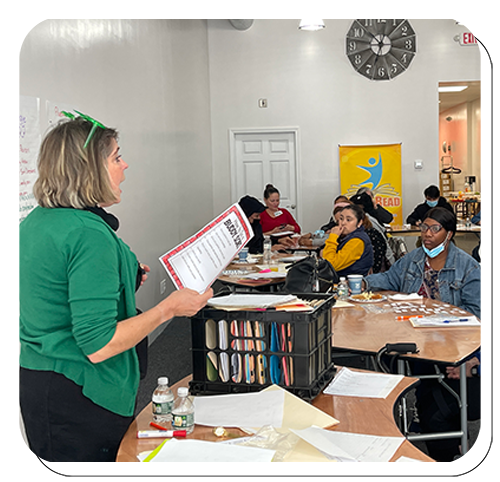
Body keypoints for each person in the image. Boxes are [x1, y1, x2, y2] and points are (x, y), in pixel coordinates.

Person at [19, 114, 213, 464]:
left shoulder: (40, 220)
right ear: (87, 169)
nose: (125, 165)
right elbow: (98, 343)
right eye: (116, 157)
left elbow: (62, 288)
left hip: (43, 383)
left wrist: (123, 276)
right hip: (80, 391)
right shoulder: (87, 233)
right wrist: (168, 309)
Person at [364, 207, 481, 318]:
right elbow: (389, 279)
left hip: (449, 330)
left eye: (435, 229)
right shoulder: (412, 259)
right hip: (412, 324)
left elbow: (475, 309)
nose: (428, 234)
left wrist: (439, 316)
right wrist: (363, 284)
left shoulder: (468, 267)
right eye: (424, 227)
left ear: (449, 234)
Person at [321, 204, 374, 277]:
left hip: (350, 284)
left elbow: (330, 265)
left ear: (359, 223)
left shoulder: (357, 241)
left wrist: (333, 237)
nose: (343, 223)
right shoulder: (347, 236)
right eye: (341, 218)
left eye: (348, 220)